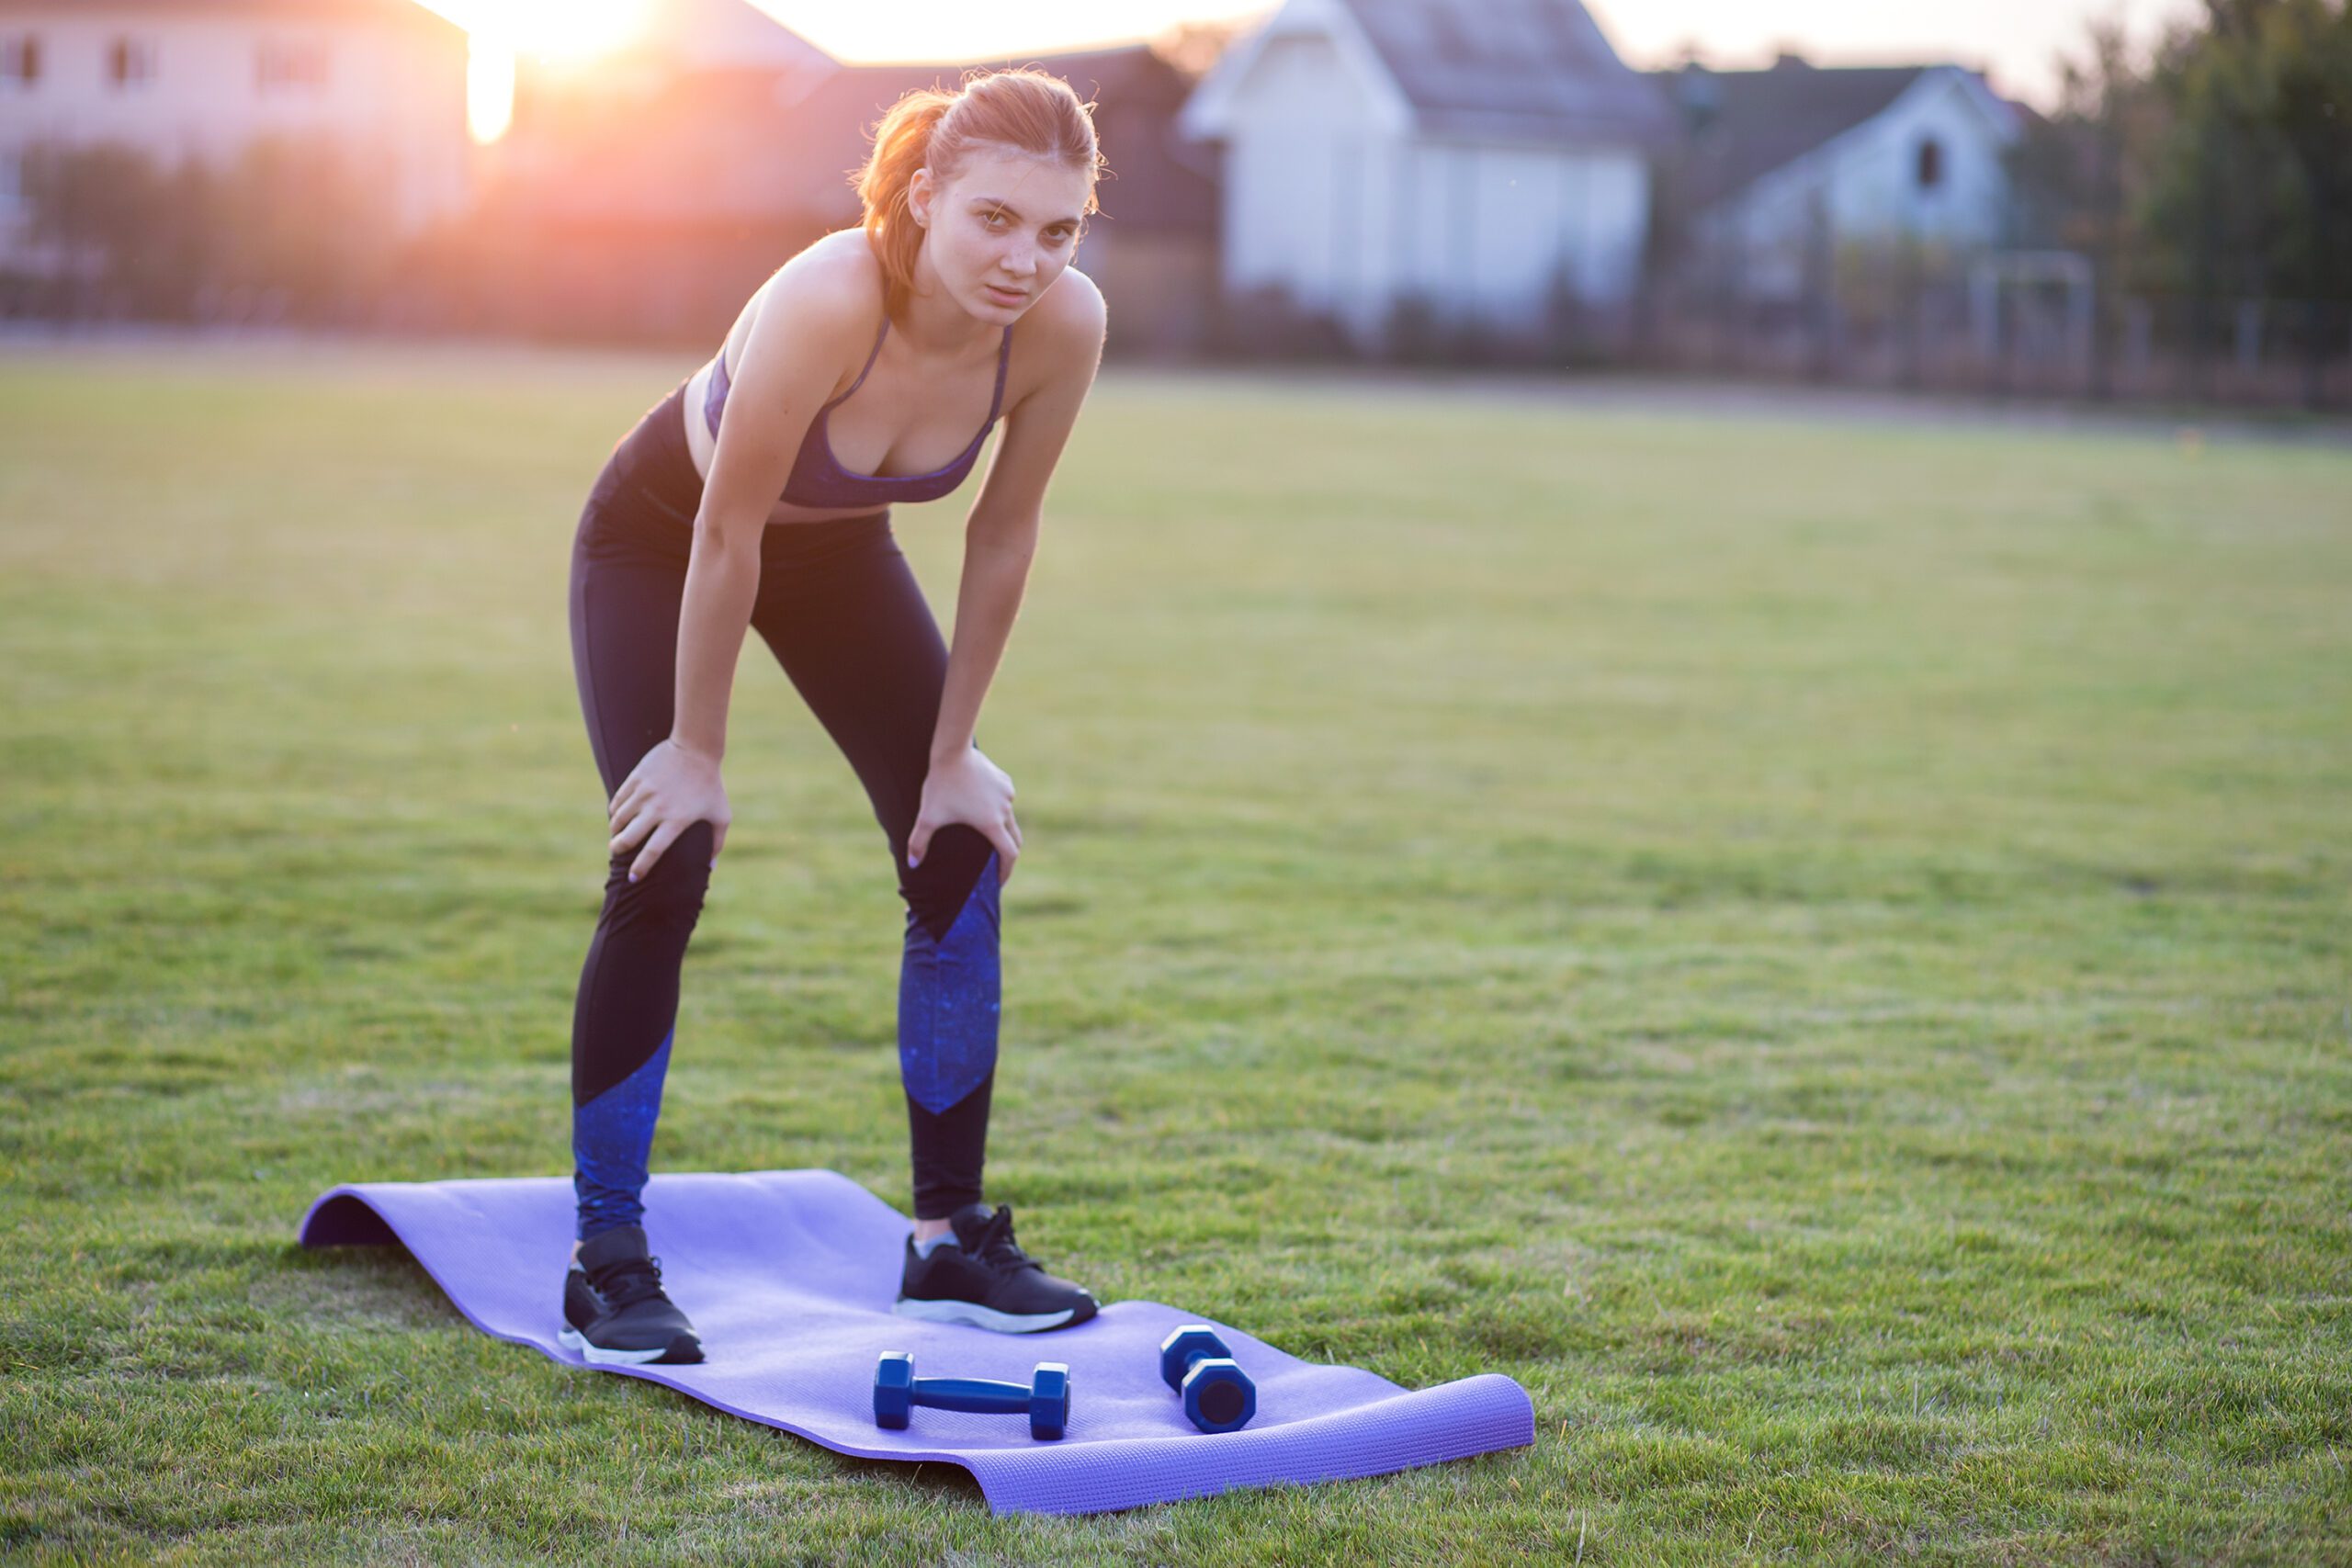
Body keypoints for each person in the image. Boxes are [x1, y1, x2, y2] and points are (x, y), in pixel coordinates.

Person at [555, 67, 1109, 1366]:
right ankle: (607, 1261)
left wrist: (952, 754)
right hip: (661, 540)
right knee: (666, 848)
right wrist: (695, 754)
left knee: (959, 844)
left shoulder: (1064, 328)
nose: (1025, 258)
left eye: (1057, 229)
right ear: (924, 197)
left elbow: (1004, 534)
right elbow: (725, 532)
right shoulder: (827, 299)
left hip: (842, 556)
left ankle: (948, 1245)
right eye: (993, 219)